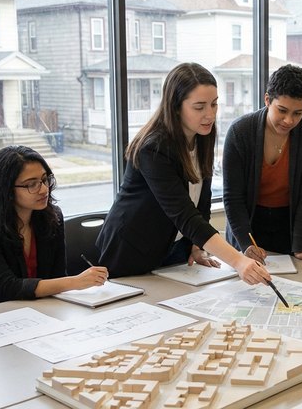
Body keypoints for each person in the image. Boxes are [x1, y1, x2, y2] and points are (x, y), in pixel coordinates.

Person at [97, 62, 270, 285]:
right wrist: (238, 261)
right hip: (131, 251)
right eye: (199, 107)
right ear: (176, 106)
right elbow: (184, 214)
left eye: (214, 104)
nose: (210, 115)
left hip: (173, 248)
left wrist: (196, 246)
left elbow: (202, 201)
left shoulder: (202, 135)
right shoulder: (153, 148)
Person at [0, 146, 108, 307]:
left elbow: (57, 275)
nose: (44, 189)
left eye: (44, 180)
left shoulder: (52, 217)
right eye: (31, 185)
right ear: (5, 190)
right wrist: (75, 282)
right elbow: (6, 287)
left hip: (42, 310)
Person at [223, 64, 302, 261]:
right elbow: (232, 197)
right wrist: (246, 244)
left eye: (298, 113)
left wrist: (300, 245)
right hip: (249, 225)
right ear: (267, 99)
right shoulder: (240, 131)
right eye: (282, 110)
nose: (289, 120)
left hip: (291, 225)